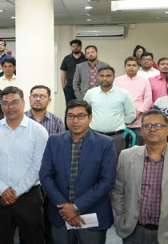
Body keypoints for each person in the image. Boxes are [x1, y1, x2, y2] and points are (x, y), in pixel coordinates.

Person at [111, 109, 168, 244]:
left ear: (167, 130)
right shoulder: (126, 156)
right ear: (141, 130)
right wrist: (120, 219)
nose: (152, 129)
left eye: (158, 126)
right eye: (147, 126)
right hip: (133, 230)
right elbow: (118, 192)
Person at [39, 100, 116, 244]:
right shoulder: (54, 141)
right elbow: (45, 176)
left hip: (92, 216)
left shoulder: (105, 143)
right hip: (61, 215)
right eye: (71, 116)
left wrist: (76, 207)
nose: (75, 120)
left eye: (80, 116)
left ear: (90, 118)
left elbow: (107, 181)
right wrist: (65, 208)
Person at [0, 86, 49, 244]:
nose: (10, 107)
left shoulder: (38, 131)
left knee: (33, 239)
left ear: (24, 103)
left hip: (29, 195)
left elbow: (38, 166)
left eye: (15, 102)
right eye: (5, 103)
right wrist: (3, 189)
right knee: (1, 238)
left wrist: (16, 191)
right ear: (1, 105)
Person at [84, 66, 136, 157]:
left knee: (116, 164)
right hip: (94, 135)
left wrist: (119, 123)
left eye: (108, 76)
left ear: (114, 77)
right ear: (98, 77)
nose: (105, 78)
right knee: (94, 162)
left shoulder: (123, 93)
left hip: (116, 137)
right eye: (102, 76)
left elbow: (131, 115)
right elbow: (84, 113)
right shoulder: (90, 93)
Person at [114, 57, 152, 145]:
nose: (131, 67)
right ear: (124, 67)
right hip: (122, 120)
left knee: (137, 148)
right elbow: (114, 98)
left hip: (139, 120)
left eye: (134, 65)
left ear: (139, 67)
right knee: (121, 148)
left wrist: (136, 114)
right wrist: (124, 114)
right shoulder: (117, 81)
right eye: (129, 65)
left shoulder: (144, 81)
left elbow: (148, 99)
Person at [60, 39, 87, 104]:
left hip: (82, 88)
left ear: (81, 47)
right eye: (73, 46)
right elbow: (64, 73)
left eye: (77, 46)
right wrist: (63, 86)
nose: (75, 48)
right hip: (69, 87)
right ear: (71, 47)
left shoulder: (86, 58)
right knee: (70, 106)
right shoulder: (67, 58)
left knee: (83, 106)